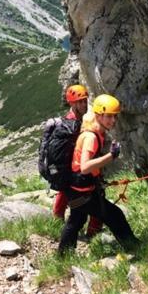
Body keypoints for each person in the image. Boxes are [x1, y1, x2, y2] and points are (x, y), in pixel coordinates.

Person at [58, 94, 140, 254]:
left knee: (77, 219)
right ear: (98, 115)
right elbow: (85, 167)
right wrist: (111, 156)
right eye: (108, 116)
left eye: (115, 116)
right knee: (114, 215)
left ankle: (63, 255)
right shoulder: (91, 137)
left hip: (76, 189)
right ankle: (135, 248)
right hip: (82, 191)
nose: (113, 121)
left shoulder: (93, 132)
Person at [52, 85, 103, 237]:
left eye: (85, 100)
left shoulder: (76, 121)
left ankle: (58, 220)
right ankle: (92, 233)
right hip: (76, 170)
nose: (84, 104)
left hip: (72, 170)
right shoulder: (72, 125)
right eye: (80, 101)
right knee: (94, 196)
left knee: (67, 194)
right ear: (72, 103)